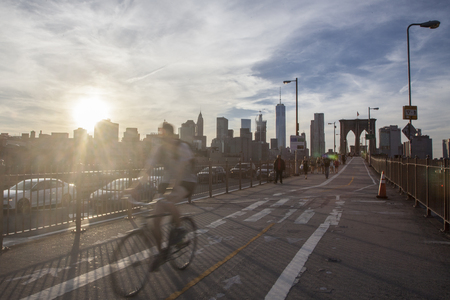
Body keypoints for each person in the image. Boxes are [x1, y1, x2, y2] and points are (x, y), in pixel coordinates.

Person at [126, 122, 197, 270]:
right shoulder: (159, 149)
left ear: (171, 135)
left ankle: (179, 229)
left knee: (169, 200)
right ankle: (160, 253)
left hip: (186, 180)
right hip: (168, 180)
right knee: (154, 221)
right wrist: (134, 188)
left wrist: (172, 189)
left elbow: (180, 170)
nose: (163, 139)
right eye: (161, 136)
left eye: (165, 135)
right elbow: (148, 169)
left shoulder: (181, 147)